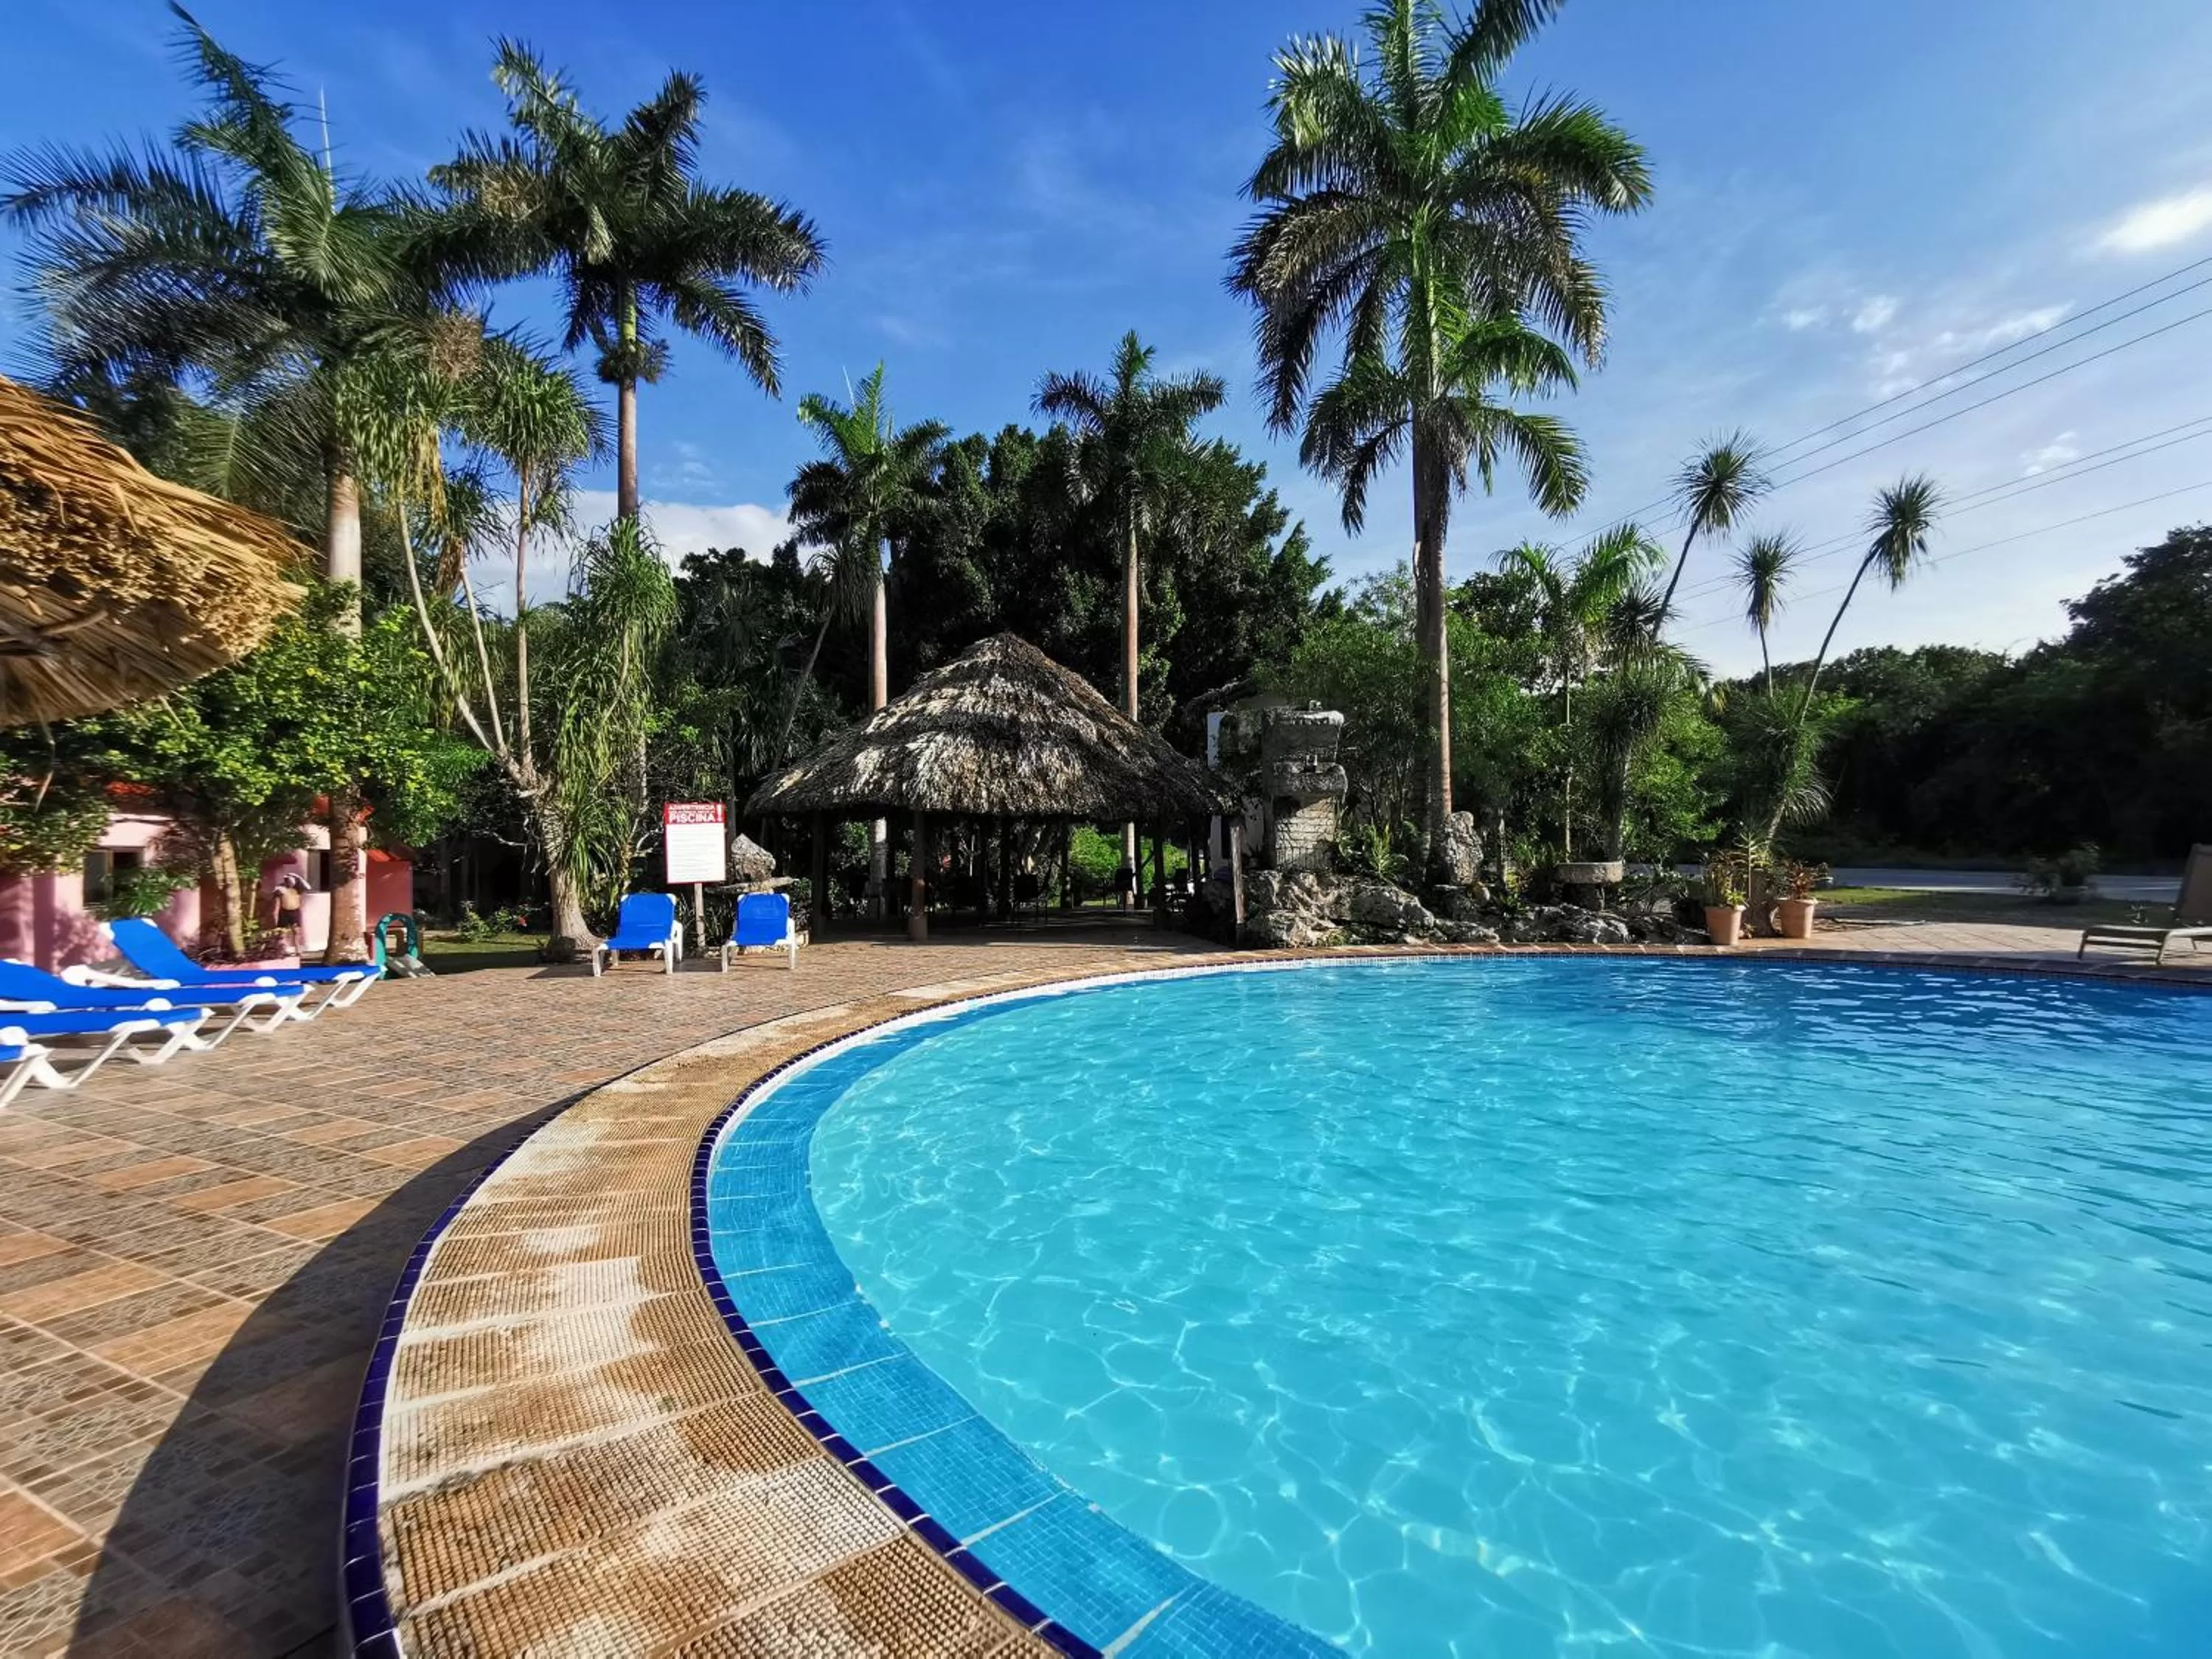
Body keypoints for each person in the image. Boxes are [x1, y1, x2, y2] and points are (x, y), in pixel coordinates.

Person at [272, 872, 309, 950]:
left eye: (291, 881)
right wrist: (275, 913)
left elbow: (308, 887)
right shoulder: (280, 889)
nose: (290, 883)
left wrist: (298, 877)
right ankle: (282, 949)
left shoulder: (298, 889)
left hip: (295, 912)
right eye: (288, 881)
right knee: (282, 932)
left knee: (296, 931)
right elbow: (277, 901)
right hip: (284, 912)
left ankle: (298, 949)